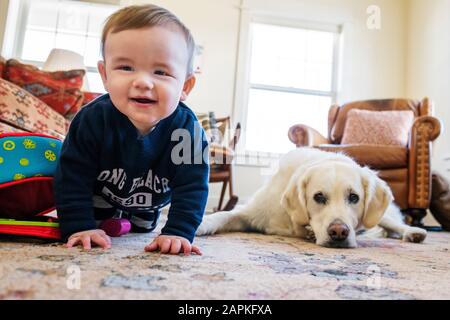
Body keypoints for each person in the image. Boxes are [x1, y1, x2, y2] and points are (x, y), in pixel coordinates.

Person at [54, 4, 209, 255]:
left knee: (143, 227)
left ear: (185, 86)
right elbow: (71, 175)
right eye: (126, 68)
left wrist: (179, 231)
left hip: (151, 199)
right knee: (98, 218)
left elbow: (193, 186)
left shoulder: (188, 131)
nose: (143, 82)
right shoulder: (92, 119)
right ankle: (105, 214)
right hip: (102, 191)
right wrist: (78, 225)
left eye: (161, 72)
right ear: (105, 74)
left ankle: (138, 215)